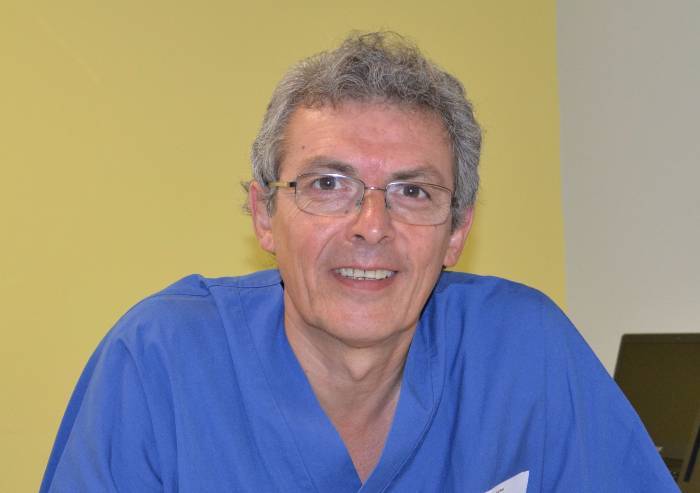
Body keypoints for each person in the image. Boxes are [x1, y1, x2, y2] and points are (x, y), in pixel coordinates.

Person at [41, 32, 678, 492]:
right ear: (265, 214)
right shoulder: (159, 362)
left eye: (413, 191)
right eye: (328, 185)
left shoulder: (523, 350)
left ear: (456, 232)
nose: (372, 226)